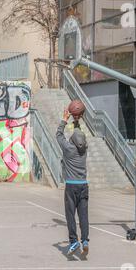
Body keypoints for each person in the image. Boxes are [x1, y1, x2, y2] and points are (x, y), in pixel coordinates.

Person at [56, 108, 90, 257]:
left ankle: (73, 241)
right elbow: (80, 137)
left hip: (71, 185)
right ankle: (85, 241)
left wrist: (65, 119)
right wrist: (77, 121)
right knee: (83, 215)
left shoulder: (69, 148)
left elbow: (58, 135)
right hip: (84, 185)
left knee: (70, 215)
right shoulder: (84, 149)